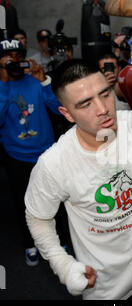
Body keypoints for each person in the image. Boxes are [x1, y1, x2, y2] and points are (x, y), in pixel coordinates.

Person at [24, 58, 132, 300]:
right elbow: (38, 217)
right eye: (85, 104)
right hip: (105, 285)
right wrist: (62, 265)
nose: (103, 109)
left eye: (105, 94)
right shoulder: (54, 164)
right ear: (67, 113)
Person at [0, 38, 62, 266]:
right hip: (17, 157)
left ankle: (58, 240)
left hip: (46, 154)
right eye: (9, 57)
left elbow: (59, 110)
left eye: (19, 55)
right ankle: (30, 242)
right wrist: (4, 85)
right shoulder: (1, 87)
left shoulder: (36, 81)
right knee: (25, 204)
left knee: (55, 200)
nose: (15, 60)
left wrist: (45, 81)